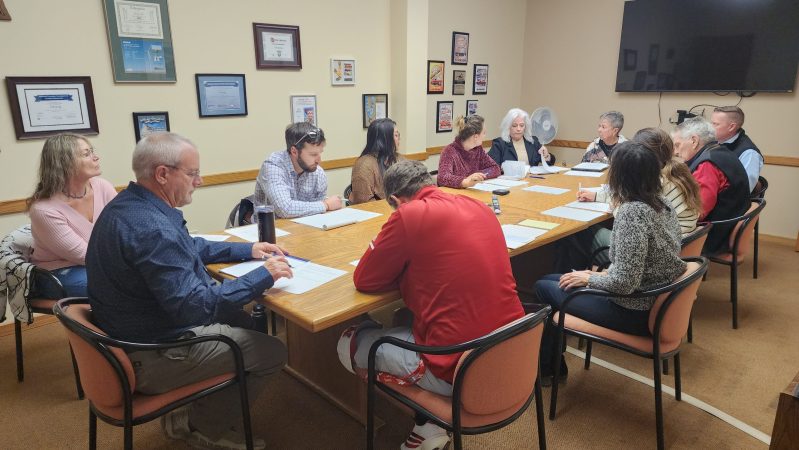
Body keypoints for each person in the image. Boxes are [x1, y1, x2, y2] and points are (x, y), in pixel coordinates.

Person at [86, 132, 291, 450]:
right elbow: (196, 308)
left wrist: (247, 249)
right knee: (273, 351)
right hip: (152, 354)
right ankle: (203, 428)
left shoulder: (129, 205)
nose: (201, 180)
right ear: (162, 174)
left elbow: (187, 245)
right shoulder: (153, 228)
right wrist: (262, 276)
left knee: (245, 321)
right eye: (193, 173)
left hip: (125, 336)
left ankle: (201, 407)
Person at [339, 160, 524, 450]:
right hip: (510, 354)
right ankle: (427, 425)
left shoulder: (409, 215)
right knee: (404, 316)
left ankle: (431, 420)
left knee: (349, 342)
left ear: (396, 201)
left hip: (460, 368)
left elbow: (364, 279)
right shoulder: (479, 206)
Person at [535, 141, 686, 383]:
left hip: (634, 308)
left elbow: (624, 283)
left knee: (544, 286)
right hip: (654, 296)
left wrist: (590, 277)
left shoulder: (632, 212)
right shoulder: (661, 202)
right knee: (553, 279)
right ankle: (549, 367)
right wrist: (597, 276)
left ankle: (549, 370)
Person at [26, 133, 117, 298]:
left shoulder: (103, 186)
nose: (96, 157)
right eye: (86, 154)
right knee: (124, 286)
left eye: (92, 151)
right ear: (65, 164)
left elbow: (125, 230)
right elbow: (86, 255)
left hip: (101, 264)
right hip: (58, 273)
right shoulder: (43, 210)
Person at [577, 127, 702, 235]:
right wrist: (597, 196)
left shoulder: (658, 183)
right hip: (676, 242)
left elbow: (629, 217)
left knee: (583, 232)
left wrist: (616, 205)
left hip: (662, 250)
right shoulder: (674, 171)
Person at [672, 117, 750, 254]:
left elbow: (697, 212)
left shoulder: (707, 165)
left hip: (713, 235)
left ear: (694, 141)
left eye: (677, 145)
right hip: (726, 225)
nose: (675, 152)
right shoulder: (721, 152)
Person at [254, 122, 343, 218]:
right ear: (294, 151)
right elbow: (285, 209)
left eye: (320, 153)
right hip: (270, 228)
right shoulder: (273, 166)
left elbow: (319, 214)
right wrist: (326, 205)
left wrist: (324, 206)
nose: (319, 160)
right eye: (313, 154)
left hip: (304, 227)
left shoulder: (318, 173)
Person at [437, 114, 501, 188]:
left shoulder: (478, 149)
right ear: (475, 137)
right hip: (455, 196)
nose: (485, 136)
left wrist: (477, 176)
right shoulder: (449, 151)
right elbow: (442, 178)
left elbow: (495, 168)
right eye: (484, 133)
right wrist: (466, 181)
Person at [349, 118, 402, 204]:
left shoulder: (397, 158)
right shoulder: (364, 165)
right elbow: (364, 204)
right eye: (396, 135)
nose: (399, 139)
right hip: (377, 213)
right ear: (385, 140)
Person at [711, 106, 763, 192]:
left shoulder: (749, 153)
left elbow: (743, 190)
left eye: (715, 124)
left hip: (728, 203)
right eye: (711, 123)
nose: (710, 128)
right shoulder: (712, 143)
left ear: (731, 127)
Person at [488, 108, 555, 168]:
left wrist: (546, 155)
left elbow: (549, 163)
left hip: (532, 180)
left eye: (522, 125)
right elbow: (491, 167)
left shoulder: (533, 141)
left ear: (525, 127)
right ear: (508, 127)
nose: (518, 129)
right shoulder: (499, 144)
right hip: (509, 180)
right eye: (514, 125)